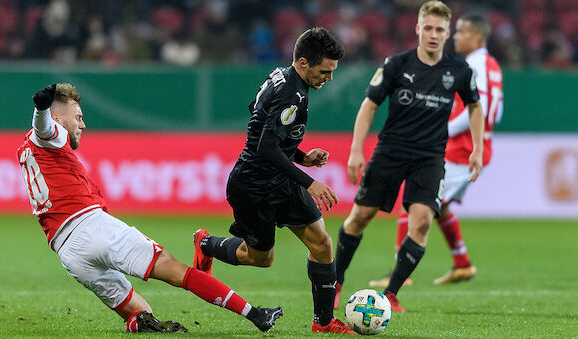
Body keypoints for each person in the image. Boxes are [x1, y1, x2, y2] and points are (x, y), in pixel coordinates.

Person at [17, 83, 283, 333]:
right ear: (58, 117)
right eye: (78, 117)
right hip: (93, 228)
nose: (82, 124)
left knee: (141, 313)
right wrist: (40, 108)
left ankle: (138, 323)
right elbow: (45, 128)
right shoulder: (50, 132)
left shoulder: (27, 149)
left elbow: (42, 131)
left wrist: (41, 113)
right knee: (176, 270)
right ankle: (255, 314)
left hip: (69, 253)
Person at [192, 27, 354, 334]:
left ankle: (323, 322)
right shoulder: (291, 92)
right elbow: (265, 146)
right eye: (325, 71)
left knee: (321, 243)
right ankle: (207, 243)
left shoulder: (279, 76)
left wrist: (302, 156)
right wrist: (309, 181)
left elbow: (258, 117)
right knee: (261, 258)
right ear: (304, 63)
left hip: (281, 181)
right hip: (252, 187)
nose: (329, 78)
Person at [332, 1, 484, 312]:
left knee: (423, 223)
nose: (433, 34)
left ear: (447, 33)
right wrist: (356, 149)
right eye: (427, 28)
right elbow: (369, 105)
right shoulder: (396, 64)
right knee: (361, 217)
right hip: (390, 152)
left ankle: (391, 294)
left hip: (429, 158)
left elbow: (475, 106)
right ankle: (335, 281)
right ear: (417, 29)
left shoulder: (459, 70)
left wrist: (478, 148)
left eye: (439, 30)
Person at [368, 13, 504, 288]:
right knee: (437, 204)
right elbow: (496, 112)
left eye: (461, 32)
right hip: (471, 145)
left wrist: (446, 130)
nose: (455, 36)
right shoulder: (492, 66)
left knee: (417, 199)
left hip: (461, 149)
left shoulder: (473, 64)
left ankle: (399, 273)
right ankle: (462, 263)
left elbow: (479, 110)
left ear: (477, 37)